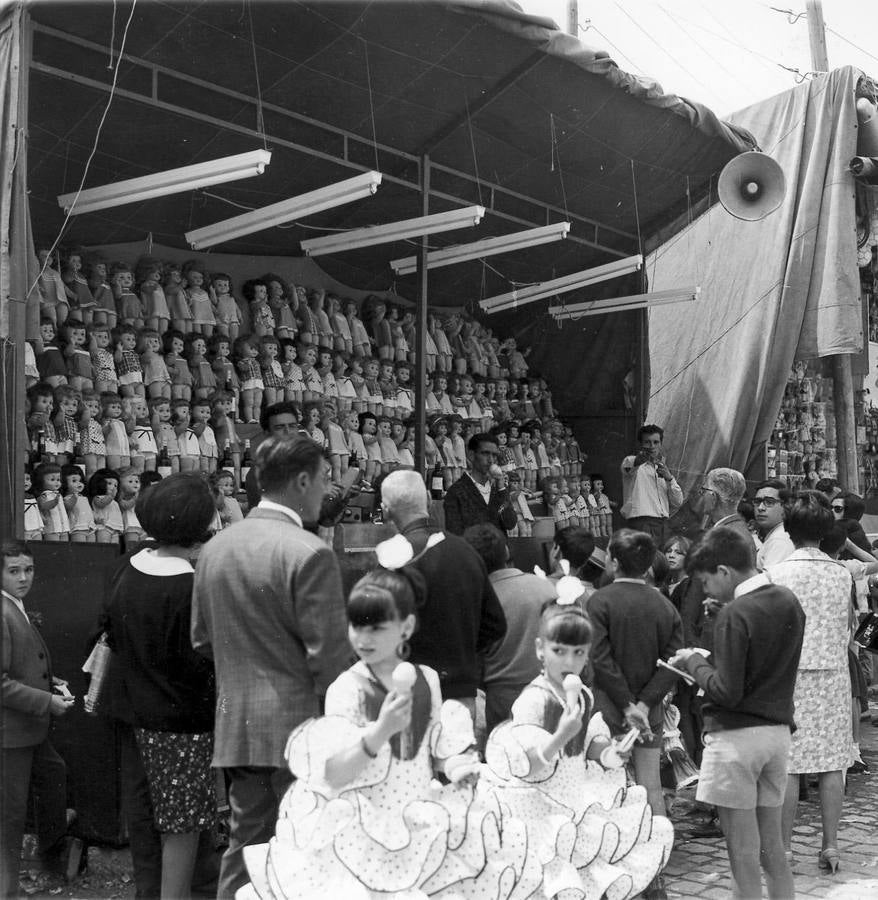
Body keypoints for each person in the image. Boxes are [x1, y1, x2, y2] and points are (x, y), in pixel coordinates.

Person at [236, 565, 531, 899]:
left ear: (406, 627)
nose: (363, 639)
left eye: (376, 628)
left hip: (423, 822)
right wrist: (380, 731)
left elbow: (431, 751)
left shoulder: (427, 680)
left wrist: (455, 768)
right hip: (362, 833)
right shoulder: (346, 689)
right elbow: (333, 773)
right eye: (356, 626)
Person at [192, 436, 350, 900]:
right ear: (302, 481)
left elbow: (201, 640)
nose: (328, 488)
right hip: (302, 727)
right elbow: (332, 662)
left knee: (246, 847)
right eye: (325, 479)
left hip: (238, 723)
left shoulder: (216, 548)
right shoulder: (310, 552)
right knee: (310, 849)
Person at [481, 593, 674, 900]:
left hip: (577, 798)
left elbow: (585, 745)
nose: (568, 662)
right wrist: (559, 735)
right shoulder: (533, 699)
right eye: (559, 651)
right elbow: (527, 763)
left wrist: (609, 753)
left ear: (587, 656)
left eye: (578, 653)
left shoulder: (582, 695)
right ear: (540, 650)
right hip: (540, 808)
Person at [670, 526, 805, 900]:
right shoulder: (786, 599)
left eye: (706, 581)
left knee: (741, 854)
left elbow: (727, 690)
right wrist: (725, 615)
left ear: (724, 572)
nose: (707, 591)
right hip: (776, 735)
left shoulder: (735, 614)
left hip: (735, 740)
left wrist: (694, 662)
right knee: (772, 849)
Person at [103, 474, 217, 899]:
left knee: (147, 822)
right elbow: (201, 661)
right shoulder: (189, 585)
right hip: (181, 723)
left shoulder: (128, 567)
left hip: (134, 711)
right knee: (183, 826)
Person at [766, 492, 853, 873]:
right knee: (834, 764)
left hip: (790, 678)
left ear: (789, 528)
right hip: (833, 676)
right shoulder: (841, 574)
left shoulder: (777, 574)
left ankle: (783, 850)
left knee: (789, 765)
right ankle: (830, 847)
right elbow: (848, 625)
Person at [378, 470, 506, 716]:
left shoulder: (393, 560)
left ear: (385, 510)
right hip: (460, 694)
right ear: (427, 497)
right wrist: (460, 651)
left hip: (409, 693)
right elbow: (495, 626)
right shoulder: (466, 552)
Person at [587, 529, 683, 823]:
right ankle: (658, 847)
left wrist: (627, 705)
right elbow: (674, 661)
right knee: (650, 783)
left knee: (607, 781)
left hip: (607, 707)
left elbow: (599, 659)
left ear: (614, 562)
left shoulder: (599, 601)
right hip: (650, 709)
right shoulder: (664, 605)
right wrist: (642, 704)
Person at [2, 540, 74, 900]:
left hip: (28, 729)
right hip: (10, 734)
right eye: (13, 571)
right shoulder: (2, 612)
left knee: (53, 773)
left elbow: (24, 662)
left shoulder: (15, 606)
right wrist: (47, 701)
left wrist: (52, 680)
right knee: (9, 817)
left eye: (28, 570)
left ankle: (46, 860)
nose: (23, 577)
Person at [462, 523, 557, 734]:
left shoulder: (476, 600)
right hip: (548, 689)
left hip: (501, 696)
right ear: (506, 551)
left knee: (506, 759)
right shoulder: (545, 587)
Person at [441, 432, 517, 535]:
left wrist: (502, 489)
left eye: (494, 455)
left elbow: (510, 523)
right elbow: (454, 532)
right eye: (485, 453)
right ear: (472, 455)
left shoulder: (498, 489)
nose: (491, 460)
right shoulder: (456, 491)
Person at [619, 424, 683, 544]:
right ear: (640, 444)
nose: (652, 446)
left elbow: (678, 502)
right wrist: (640, 459)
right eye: (647, 442)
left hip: (663, 525)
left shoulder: (662, 468)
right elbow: (630, 465)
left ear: (661, 444)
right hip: (642, 524)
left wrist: (669, 479)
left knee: (661, 561)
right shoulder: (632, 464)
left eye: (656, 442)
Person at [753, 479, 794, 570]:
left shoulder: (780, 540)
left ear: (785, 506)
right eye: (757, 502)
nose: (760, 508)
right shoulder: (775, 534)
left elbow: (771, 581)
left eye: (769, 502)